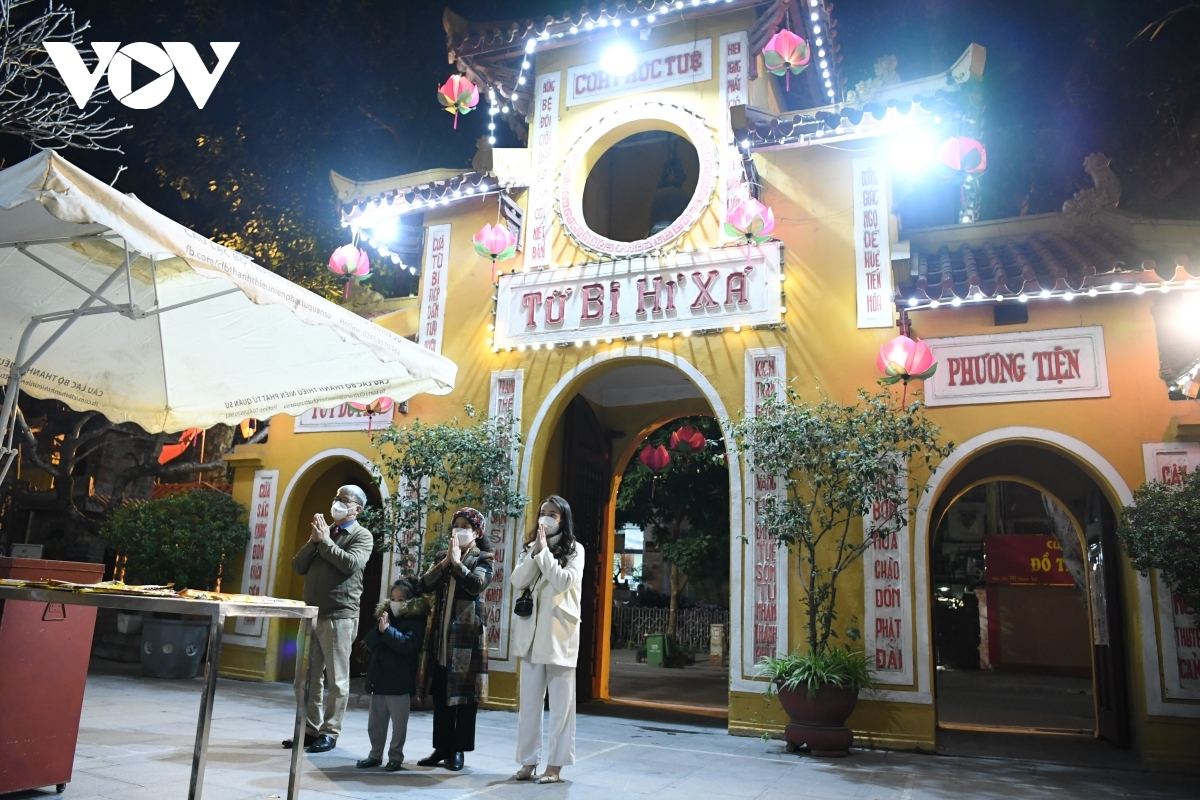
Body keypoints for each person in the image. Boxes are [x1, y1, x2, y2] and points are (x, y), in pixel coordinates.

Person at [283, 484, 373, 754]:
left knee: (337, 681)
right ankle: (309, 730)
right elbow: (298, 567)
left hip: (339, 616)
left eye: (344, 500)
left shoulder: (362, 535)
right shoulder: (324, 534)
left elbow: (349, 564)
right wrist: (314, 541)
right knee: (305, 679)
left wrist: (326, 542)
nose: (337, 503)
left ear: (357, 509)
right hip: (311, 614)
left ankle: (330, 732)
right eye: (336, 497)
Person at [510, 495, 585, 785]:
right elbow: (518, 581)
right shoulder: (530, 547)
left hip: (559, 633)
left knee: (562, 704)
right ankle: (527, 762)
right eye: (543, 513)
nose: (545, 518)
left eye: (552, 514)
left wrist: (544, 555)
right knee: (529, 703)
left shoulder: (575, 549)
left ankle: (555, 766)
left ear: (562, 519)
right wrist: (536, 552)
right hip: (531, 633)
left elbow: (564, 581)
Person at [415, 507, 493, 772]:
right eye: (455, 525)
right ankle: (441, 747)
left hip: (466, 639)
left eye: (464, 526)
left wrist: (458, 564)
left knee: (464, 696)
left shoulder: (484, 558)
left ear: (477, 532)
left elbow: (476, 585)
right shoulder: (442, 558)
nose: (458, 529)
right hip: (440, 636)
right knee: (441, 694)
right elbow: (423, 584)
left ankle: (458, 750)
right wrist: (447, 562)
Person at [356, 578, 429, 772]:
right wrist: (381, 630)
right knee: (376, 722)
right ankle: (375, 754)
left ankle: (395, 757)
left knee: (398, 725)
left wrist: (387, 631)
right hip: (379, 679)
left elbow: (407, 646)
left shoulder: (416, 620)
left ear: (410, 600)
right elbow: (369, 643)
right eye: (393, 597)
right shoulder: (385, 615)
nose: (396, 602)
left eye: (401, 598)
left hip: (399, 681)